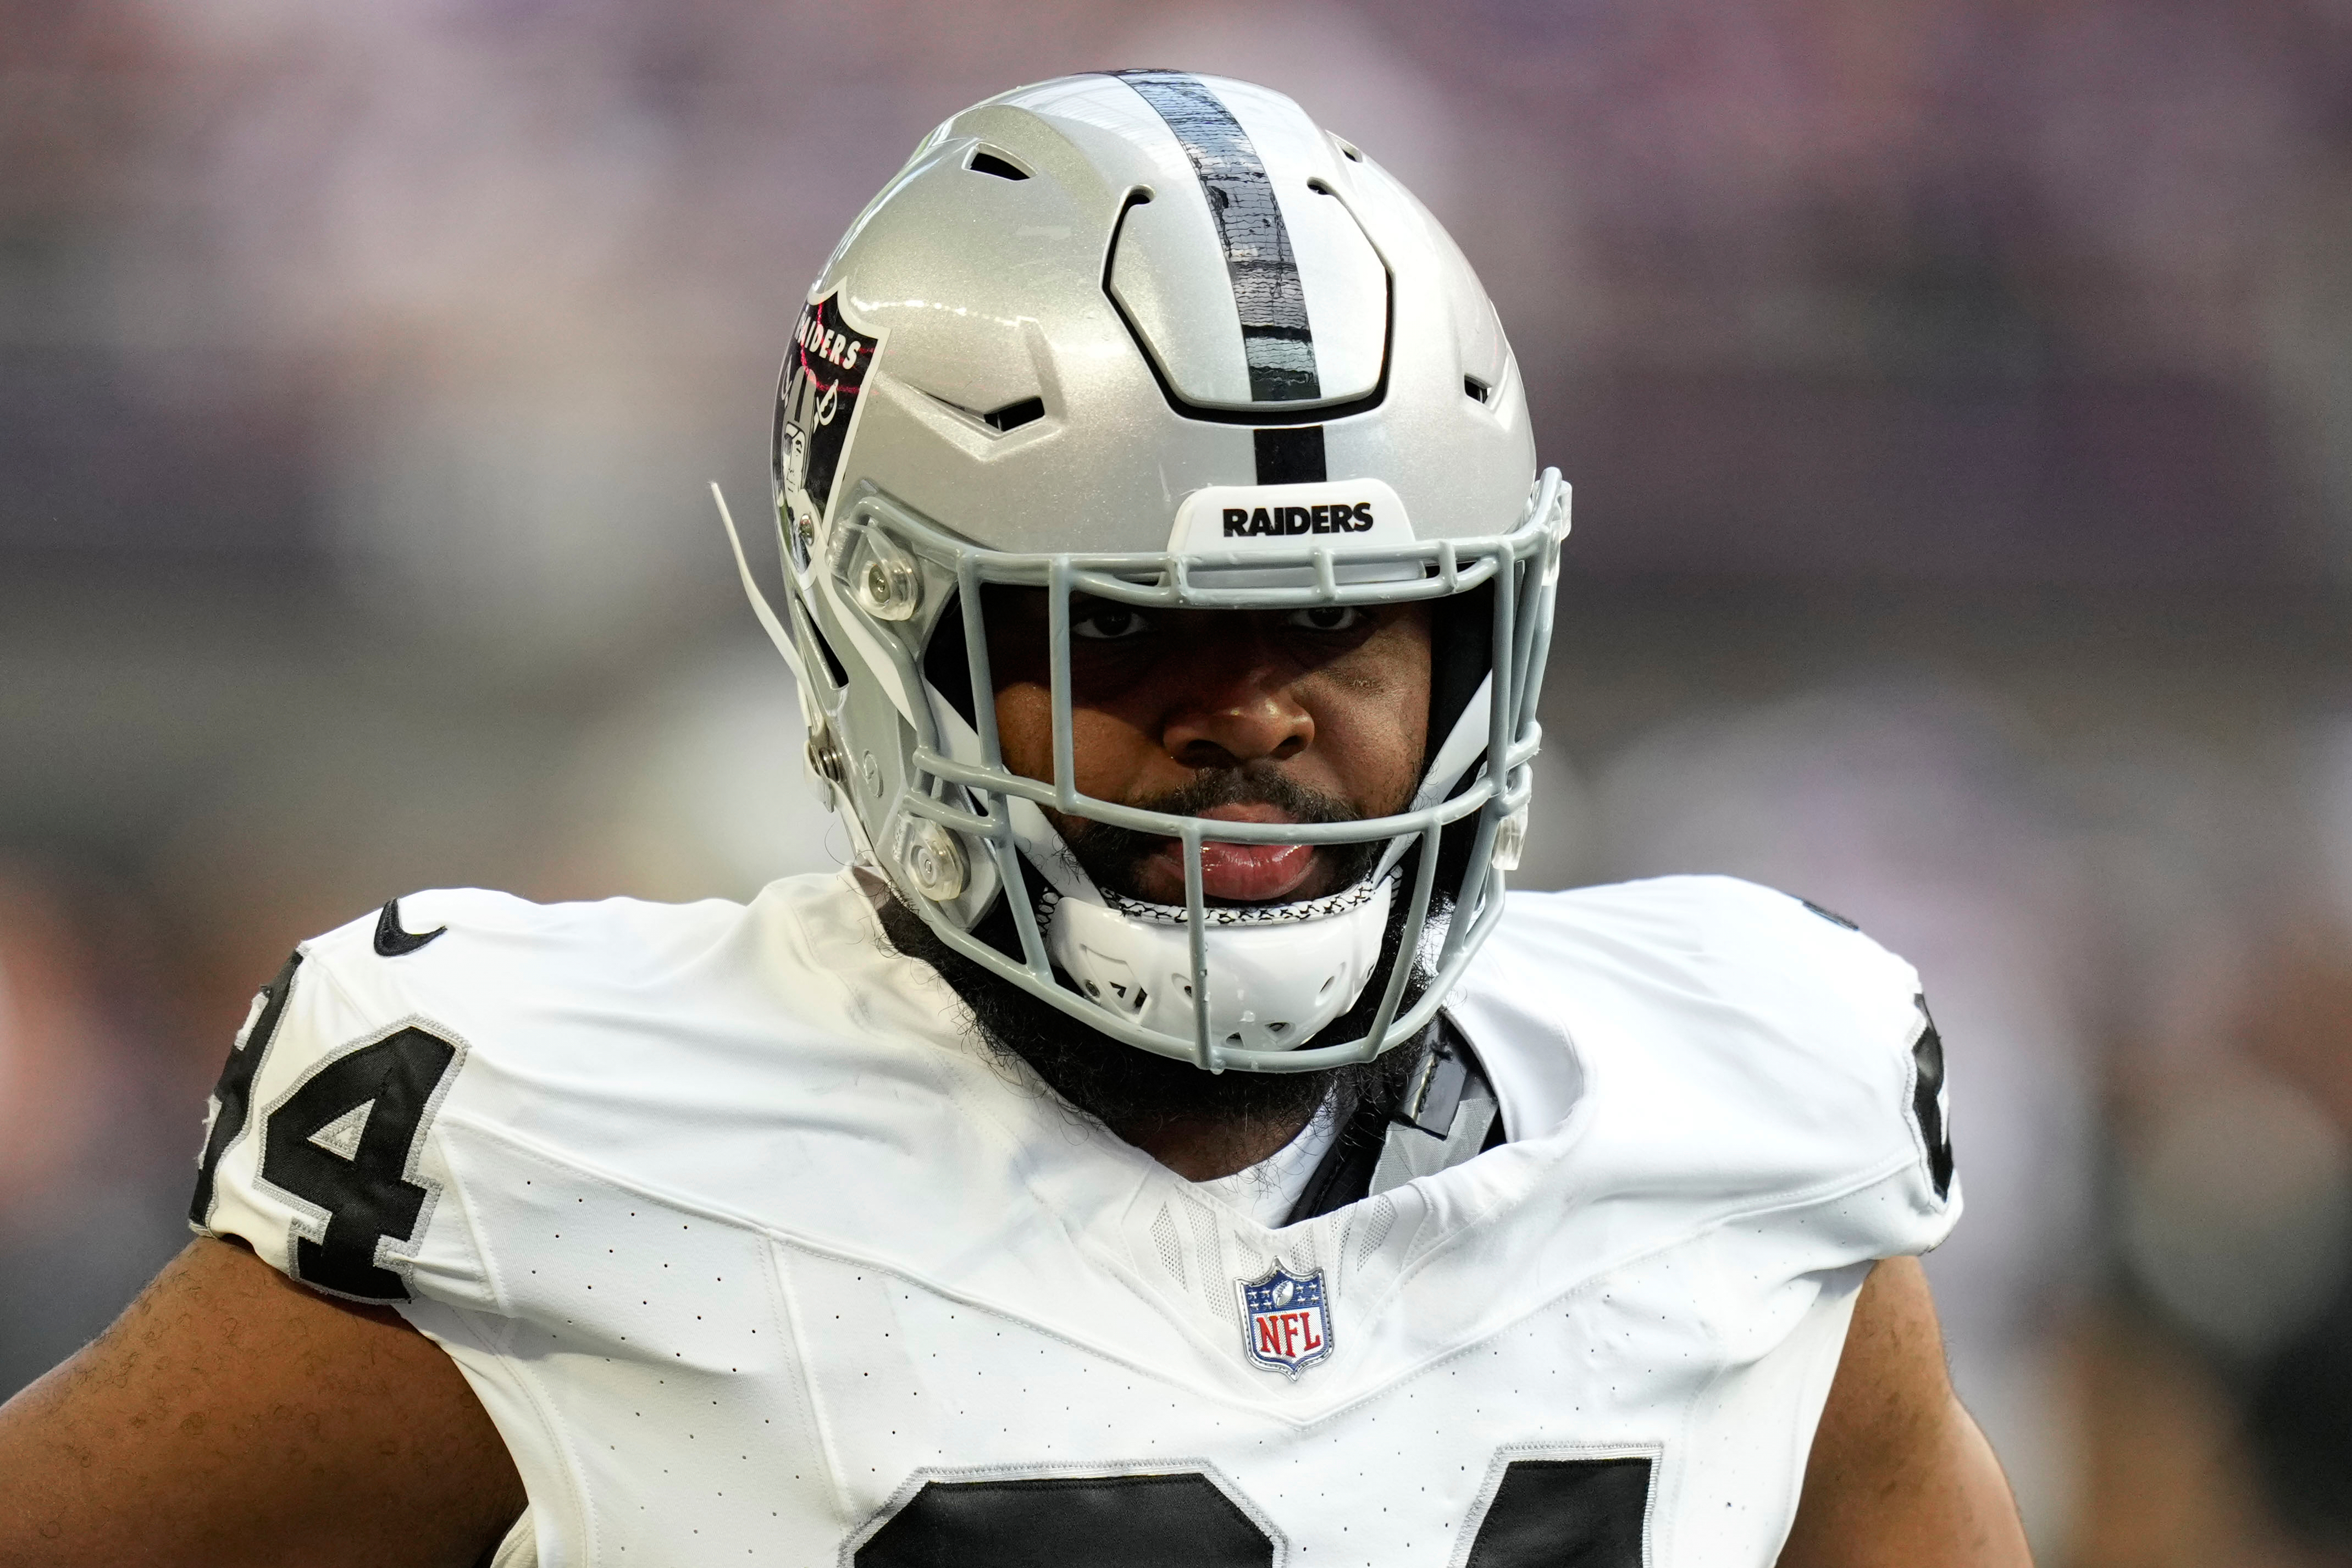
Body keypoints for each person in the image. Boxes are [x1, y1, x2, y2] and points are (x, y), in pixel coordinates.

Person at [0, 73, 2028, 1567]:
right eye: (1139, 627)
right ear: (894, 637)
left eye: (1353, 625)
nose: (1261, 713)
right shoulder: (548, 1142)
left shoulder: (1758, 1120)